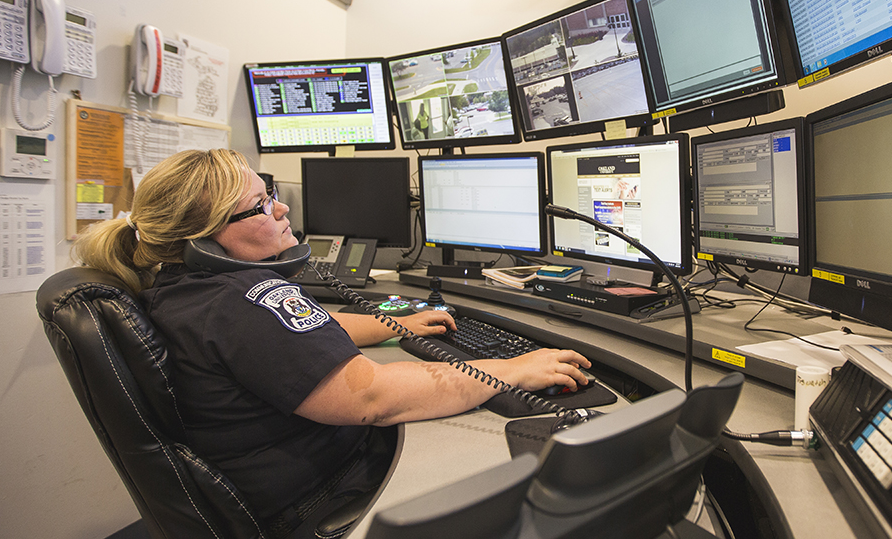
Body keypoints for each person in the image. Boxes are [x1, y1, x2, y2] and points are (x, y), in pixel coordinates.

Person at [72, 149, 589, 537]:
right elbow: (372, 396)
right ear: (204, 239)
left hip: (272, 483)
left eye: (270, 194)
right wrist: (513, 368)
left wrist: (395, 322)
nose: (279, 211)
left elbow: (304, 331)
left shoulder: (186, 291)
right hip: (314, 498)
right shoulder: (242, 302)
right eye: (260, 206)